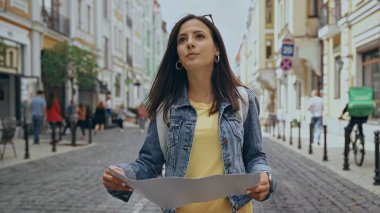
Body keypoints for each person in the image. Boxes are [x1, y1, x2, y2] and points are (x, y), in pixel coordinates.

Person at [102, 14, 276, 213]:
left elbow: (254, 156)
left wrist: (264, 176)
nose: (190, 43)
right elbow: (149, 162)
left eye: (199, 36)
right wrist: (123, 174)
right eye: (182, 40)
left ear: (216, 48)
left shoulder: (243, 99)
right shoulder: (166, 107)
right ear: (177, 54)